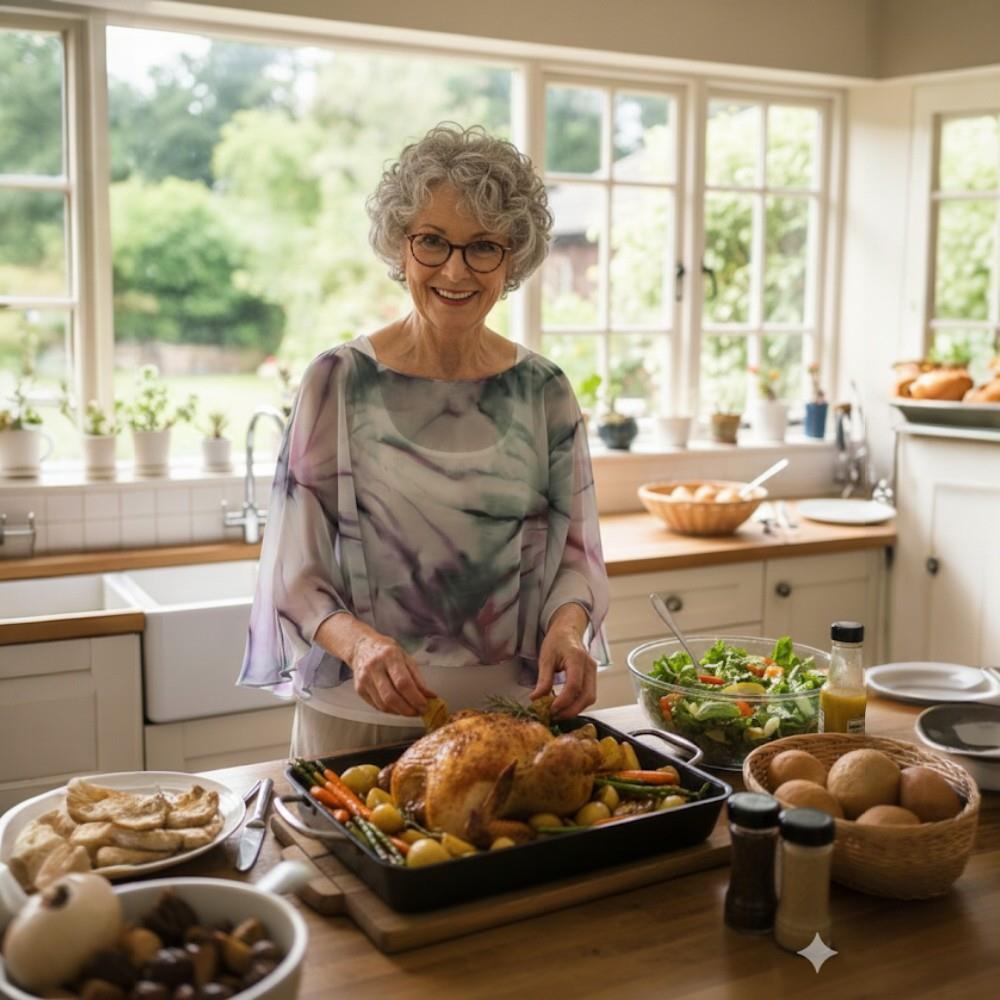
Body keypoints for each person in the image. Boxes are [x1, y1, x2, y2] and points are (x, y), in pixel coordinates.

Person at [239, 123, 610, 757]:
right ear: (400, 246)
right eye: (432, 241)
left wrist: (570, 630)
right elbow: (293, 576)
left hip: (509, 719)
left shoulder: (544, 391)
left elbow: (576, 557)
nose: (455, 270)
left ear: (512, 257)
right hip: (357, 718)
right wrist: (359, 644)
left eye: (483, 247)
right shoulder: (337, 381)